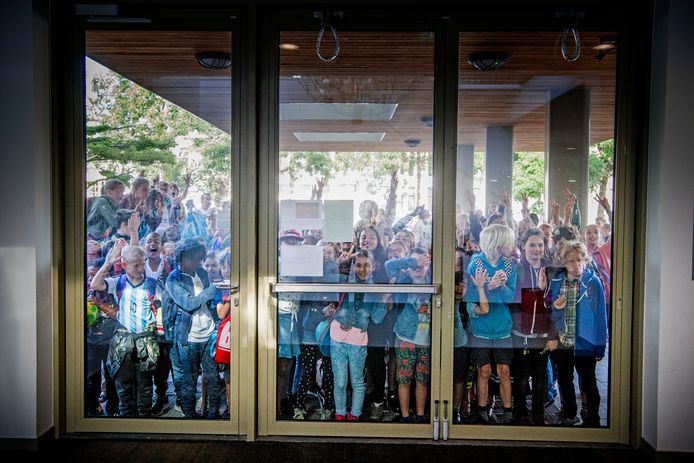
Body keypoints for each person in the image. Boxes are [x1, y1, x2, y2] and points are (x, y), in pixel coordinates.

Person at [91, 240, 161, 417]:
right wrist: (107, 263)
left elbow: (160, 310)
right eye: (135, 265)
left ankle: (144, 417)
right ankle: (125, 418)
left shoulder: (152, 284)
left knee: (145, 383)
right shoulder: (118, 282)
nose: (140, 269)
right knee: (123, 384)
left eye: (142, 265)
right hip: (123, 340)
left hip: (146, 339)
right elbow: (95, 284)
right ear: (124, 265)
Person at [547, 241, 607, 427]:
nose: (575, 264)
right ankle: (570, 416)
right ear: (564, 262)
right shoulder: (557, 282)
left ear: (585, 260)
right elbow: (551, 312)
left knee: (589, 382)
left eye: (579, 260)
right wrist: (556, 309)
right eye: (571, 260)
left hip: (585, 342)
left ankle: (593, 419)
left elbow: (600, 316)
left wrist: (600, 346)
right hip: (564, 341)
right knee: (565, 381)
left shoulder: (592, 282)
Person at [164, 239, 223, 419]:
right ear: (181, 258)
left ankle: (214, 413)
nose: (198, 262)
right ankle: (190, 417)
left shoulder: (202, 273)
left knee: (213, 378)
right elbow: (188, 303)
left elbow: (206, 303)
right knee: (189, 380)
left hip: (208, 333)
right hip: (188, 338)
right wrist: (211, 290)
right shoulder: (173, 279)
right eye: (194, 259)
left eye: (199, 258)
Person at [465, 224, 517, 424]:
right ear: (498, 243)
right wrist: (487, 286)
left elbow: (511, 298)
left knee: (504, 371)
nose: (511, 246)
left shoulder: (509, 266)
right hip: (482, 328)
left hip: (502, 327)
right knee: (484, 370)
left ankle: (507, 412)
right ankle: (481, 410)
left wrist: (502, 285)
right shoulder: (476, 263)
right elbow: (470, 296)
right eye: (508, 242)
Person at [331, 251, 387, 421]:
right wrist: (337, 263)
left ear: (373, 266)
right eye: (358, 265)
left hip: (358, 341)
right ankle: (339, 412)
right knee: (340, 381)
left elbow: (377, 319)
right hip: (337, 338)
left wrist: (384, 300)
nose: (362, 269)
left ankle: (355, 414)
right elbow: (326, 281)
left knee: (356, 380)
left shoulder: (376, 290)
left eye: (367, 265)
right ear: (353, 266)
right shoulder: (343, 282)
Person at [511, 229, 555, 425]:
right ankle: (519, 414)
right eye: (532, 245)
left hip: (543, 334)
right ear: (523, 247)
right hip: (521, 334)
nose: (537, 249)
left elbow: (556, 305)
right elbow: (512, 301)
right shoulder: (517, 269)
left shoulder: (550, 269)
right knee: (521, 378)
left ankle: (538, 415)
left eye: (540, 245)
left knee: (540, 378)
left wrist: (544, 290)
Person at [387, 247, 433, 422]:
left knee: (422, 378)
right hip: (406, 336)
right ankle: (406, 416)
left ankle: (420, 415)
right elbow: (389, 264)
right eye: (414, 262)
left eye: (422, 261)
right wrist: (412, 262)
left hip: (427, 339)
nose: (418, 265)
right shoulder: (403, 280)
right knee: (404, 378)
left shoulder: (432, 280)